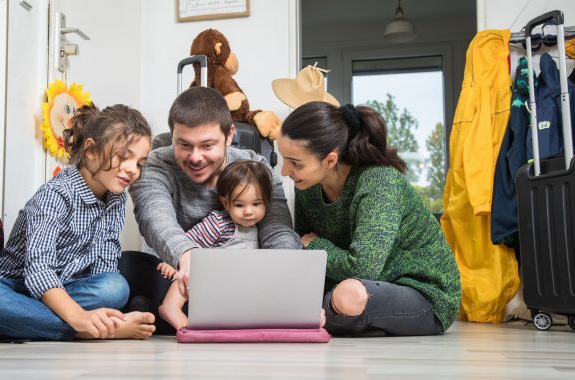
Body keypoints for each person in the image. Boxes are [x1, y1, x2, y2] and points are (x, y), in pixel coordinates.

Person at [0, 103, 157, 343]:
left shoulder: (117, 199)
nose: (133, 170)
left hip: (67, 290)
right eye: (123, 157)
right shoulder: (55, 194)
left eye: (140, 163)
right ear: (91, 150)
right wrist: (80, 318)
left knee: (115, 287)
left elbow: (104, 268)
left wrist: (87, 308)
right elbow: (38, 270)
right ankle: (83, 330)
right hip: (16, 288)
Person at [277, 101, 461, 336]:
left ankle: (335, 316)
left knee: (348, 295)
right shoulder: (308, 189)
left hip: (422, 292)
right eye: (284, 159)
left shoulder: (378, 182)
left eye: (295, 163)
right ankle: (340, 317)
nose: (284, 171)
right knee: (307, 300)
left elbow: (363, 267)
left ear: (330, 160)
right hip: (360, 284)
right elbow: (310, 258)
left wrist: (316, 245)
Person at [131, 87, 301, 310]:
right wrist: (187, 255)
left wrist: (286, 277)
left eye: (207, 146)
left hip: (238, 277)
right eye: (184, 145)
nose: (195, 157)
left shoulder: (258, 168)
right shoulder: (156, 163)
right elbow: (153, 215)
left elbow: (277, 229)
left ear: (229, 135)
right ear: (172, 136)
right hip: (173, 273)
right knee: (129, 268)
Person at [156, 160, 272, 330]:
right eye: (239, 205)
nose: (248, 211)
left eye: (256, 204)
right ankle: (171, 307)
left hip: (235, 286)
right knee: (192, 271)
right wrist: (173, 263)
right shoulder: (219, 223)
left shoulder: (261, 229)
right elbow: (187, 243)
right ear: (225, 203)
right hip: (210, 281)